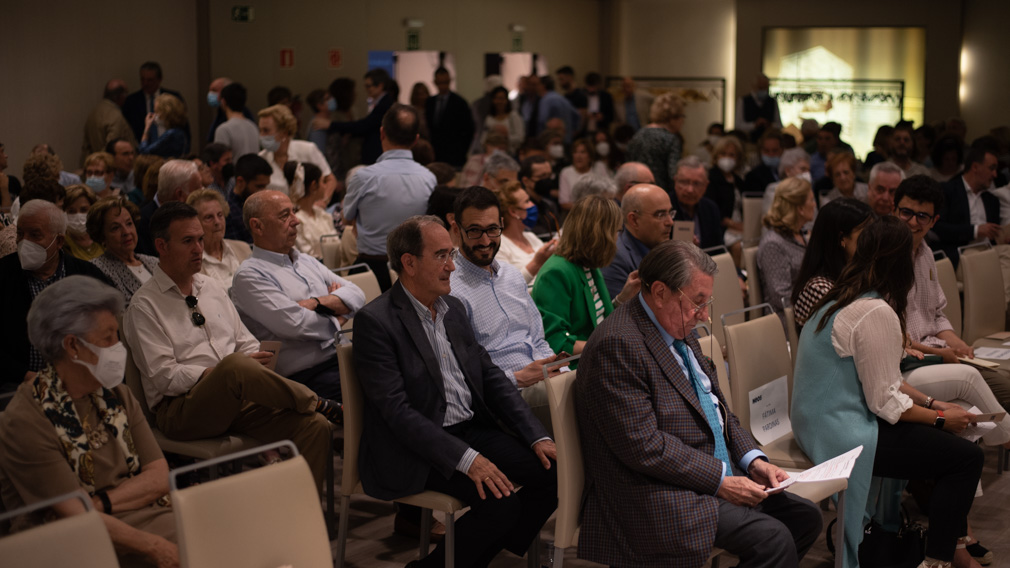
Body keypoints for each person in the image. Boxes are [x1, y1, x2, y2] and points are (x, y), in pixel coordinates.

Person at [576, 240, 822, 568]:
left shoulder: (675, 322)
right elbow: (644, 447)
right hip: (653, 490)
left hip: (705, 470)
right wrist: (721, 480)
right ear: (660, 291)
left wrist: (753, 461)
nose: (704, 315)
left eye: (707, 302)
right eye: (697, 302)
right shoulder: (618, 345)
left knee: (805, 518)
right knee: (774, 540)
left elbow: (718, 408)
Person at [352, 214, 558, 568]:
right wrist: (467, 459)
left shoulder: (453, 308)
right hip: (414, 447)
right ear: (409, 263)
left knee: (554, 471)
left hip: (468, 430)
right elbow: (398, 413)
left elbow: (491, 378)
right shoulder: (377, 321)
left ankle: (469, 555)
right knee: (500, 503)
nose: (452, 266)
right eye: (441, 256)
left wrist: (537, 436)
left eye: (451, 254)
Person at [792, 216, 984, 568]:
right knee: (965, 459)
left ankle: (947, 551)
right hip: (843, 432)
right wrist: (942, 419)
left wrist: (932, 404)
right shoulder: (874, 310)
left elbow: (885, 379)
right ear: (901, 264)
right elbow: (883, 401)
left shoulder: (841, 293)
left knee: (950, 447)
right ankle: (939, 560)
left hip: (818, 421)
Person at [122, 202, 340, 489]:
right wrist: (217, 373)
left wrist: (246, 362)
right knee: (234, 365)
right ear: (161, 246)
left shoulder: (210, 286)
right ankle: (317, 401)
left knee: (316, 427)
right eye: (188, 241)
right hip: (181, 411)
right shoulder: (144, 305)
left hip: (236, 398)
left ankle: (293, 520)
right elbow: (164, 377)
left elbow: (244, 340)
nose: (199, 248)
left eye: (200, 239)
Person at [0, 276, 178, 568]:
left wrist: (102, 503)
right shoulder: (26, 420)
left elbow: (159, 475)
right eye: (108, 338)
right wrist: (156, 547)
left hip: (139, 516)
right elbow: (75, 516)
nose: (117, 346)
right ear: (72, 346)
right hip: (74, 544)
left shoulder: (116, 393)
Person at [448, 187, 567, 433]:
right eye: (474, 231)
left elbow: (538, 340)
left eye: (492, 229)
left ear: (502, 224)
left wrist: (561, 370)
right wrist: (519, 378)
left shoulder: (512, 275)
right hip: (506, 396)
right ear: (457, 230)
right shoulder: (451, 290)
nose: (485, 241)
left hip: (544, 379)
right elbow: (460, 372)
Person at [232, 190, 364, 400]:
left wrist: (316, 303)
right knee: (380, 389)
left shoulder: (305, 260)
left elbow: (357, 294)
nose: (296, 221)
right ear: (257, 226)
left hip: (342, 356)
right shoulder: (249, 276)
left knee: (406, 369)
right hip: (304, 377)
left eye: (294, 212)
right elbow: (296, 323)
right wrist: (339, 314)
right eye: (285, 216)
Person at [896, 175, 1010, 415]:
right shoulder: (886, 258)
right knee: (991, 390)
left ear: (934, 221)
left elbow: (936, 314)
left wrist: (958, 344)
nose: (913, 222)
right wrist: (941, 353)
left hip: (934, 352)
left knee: (1000, 385)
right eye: (906, 212)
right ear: (894, 210)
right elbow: (895, 337)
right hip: (907, 362)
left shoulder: (926, 253)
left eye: (922, 216)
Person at [0, 200, 112, 390]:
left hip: (81, 381)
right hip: (17, 385)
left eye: (35, 235)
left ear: (59, 241)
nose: (24, 242)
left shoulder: (88, 277)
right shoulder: (3, 275)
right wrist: (27, 376)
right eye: (20, 234)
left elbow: (107, 335)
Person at [531, 194, 639, 355]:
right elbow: (555, 342)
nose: (618, 239)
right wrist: (610, 346)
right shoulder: (556, 272)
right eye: (616, 232)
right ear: (600, 235)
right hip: (579, 367)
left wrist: (623, 298)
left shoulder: (587, 264)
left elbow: (598, 320)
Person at [344, 103, 436, 292]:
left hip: (371, 269)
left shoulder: (363, 177)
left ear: (382, 133)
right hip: (416, 271)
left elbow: (347, 218)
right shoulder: (429, 178)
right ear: (416, 139)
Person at [791, 197, 873, 327]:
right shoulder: (819, 289)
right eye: (866, 233)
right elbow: (847, 338)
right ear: (842, 239)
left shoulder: (859, 274)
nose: (872, 239)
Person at [602, 183, 674, 300]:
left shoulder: (665, 249)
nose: (670, 222)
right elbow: (619, 315)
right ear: (634, 220)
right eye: (660, 215)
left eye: (670, 213)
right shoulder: (615, 257)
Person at [757, 177, 816, 315]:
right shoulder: (773, 244)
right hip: (788, 321)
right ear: (800, 208)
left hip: (807, 313)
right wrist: (818, 307)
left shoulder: (800, 234)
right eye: (811, 200)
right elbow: (782, 297)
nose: (814, 205)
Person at [934, 146, 1001, 265]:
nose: (995, 174)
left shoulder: (992, 200)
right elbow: (939, 227)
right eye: (991, 168)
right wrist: (975, 230)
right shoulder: (948, 190)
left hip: (990, 251)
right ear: (975, 167)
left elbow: (994, 235)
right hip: (960, 254)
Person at [88, 196, 160, 305]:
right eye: (115, 228)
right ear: (102, 236)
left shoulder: (154, 262)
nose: (126, 232)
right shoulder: (98, 269)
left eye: (129, 223)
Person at [257, 104, 334, 195]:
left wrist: (322, 202)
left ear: (284, 132)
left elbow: (330, 179)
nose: (261, 136)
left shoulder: (307, 149)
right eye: (260, 130)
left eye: (266, 131)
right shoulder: (261, 159)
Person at [184, 189, 251, 291]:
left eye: (220, 215)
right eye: (209, 217)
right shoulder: (192, 262)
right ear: (195, 223)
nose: (217, 222)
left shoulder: (243, 248)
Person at [328, 68, 396, 165]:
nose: (366, 89)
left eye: (369, 86)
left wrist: (331, 125)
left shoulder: (384, 105)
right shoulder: (381, 103)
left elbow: (365, 125)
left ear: (380, 86)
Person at [136, 159, 202, 257]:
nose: (202, 193)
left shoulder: (196, 214)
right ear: (180, 194)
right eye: (197, 189)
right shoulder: (142, 224)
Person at [494, 181, 556, 284]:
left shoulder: (530, 236)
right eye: (527, 201)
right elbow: (507, 287)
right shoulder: (499, 246)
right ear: (513, 212)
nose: (532, 205)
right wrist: (536, 263)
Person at [626, 92, 686, 193]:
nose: (683, 121)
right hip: (660, 193)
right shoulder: (670, 139)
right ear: (673, 117)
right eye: (682, 117)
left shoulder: (639, 134)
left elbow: (628, 165)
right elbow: (673, 175)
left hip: (636, 191)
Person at [122, 62, 188, 146]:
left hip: (171, 149)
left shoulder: (173, 97)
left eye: (150, 80)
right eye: (143, 79)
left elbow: (183, 126)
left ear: (159, 79)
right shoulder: (131, 101)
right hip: (142, 150)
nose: (145, 84)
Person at [281, 161, 336, 259]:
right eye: (323, 182)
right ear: (314, 185)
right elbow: (305, 255)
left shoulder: (323, 215)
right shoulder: (295, 220)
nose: (325, 186)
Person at [425, 67, 475, 169]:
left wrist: (461, 151)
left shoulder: (460, 103)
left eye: (445, 82)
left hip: (454, 155)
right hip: (435, 153)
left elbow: (468, 130)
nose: (443, 86)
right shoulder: (430, 102)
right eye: (440, 82)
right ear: (435, 82)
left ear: (449, 81)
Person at [672, 156, 725, 250]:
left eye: (696, 184)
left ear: (706, 185)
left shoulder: (711, 209)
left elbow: (718, 249)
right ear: (675, 181)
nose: (690, 190)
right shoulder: (664, 208)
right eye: (684, 182)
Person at [81, 79, 137, 159]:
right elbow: (111, 148)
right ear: (120, 96)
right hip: (109, 165)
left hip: (94, 161)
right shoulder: (116, 116)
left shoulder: (93, 113)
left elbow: (86, 147)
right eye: (126, 94)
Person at [706, 136, 746, 245]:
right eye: (723, 154)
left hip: (740, 225)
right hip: (722, 228)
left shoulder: (738, 181)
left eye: (731, 155)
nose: (727, 158)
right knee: (739, 246)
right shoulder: (711, 177)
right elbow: (711, 209)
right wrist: (734, 224)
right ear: (716, 155)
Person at [225, 154, 272, 243]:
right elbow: (238, 252)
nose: (264, 191)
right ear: (240, 182)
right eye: (259, 186)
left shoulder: (261, 207)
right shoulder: (228, 213)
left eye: (266, 186)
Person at [213, 82, 259, 160]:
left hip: (235, 172)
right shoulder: (253, 126)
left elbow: (221, 162)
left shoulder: (224, 129)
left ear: (223, 102)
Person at [558, 138, 608, 210]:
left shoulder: (599, 168)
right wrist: (588, 209)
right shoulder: (566, 172)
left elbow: (608, 194)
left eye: (583, 152)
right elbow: (564, 203)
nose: (578, 156)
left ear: (590, 157)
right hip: (576, 214)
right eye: (575, 152)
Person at [138, 93, 189, 158]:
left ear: (166, 112)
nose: (154, 116)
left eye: (157, 112)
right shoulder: (178, 132)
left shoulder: (171, 134)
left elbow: (144, 152)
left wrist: (147, 128)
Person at [761, 147, 811, 214]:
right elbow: (771, 220)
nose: (807, 174)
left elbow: (813, 220)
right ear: (788, 171)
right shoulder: (774, 190)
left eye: (808, 170)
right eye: (803, 169)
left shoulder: (808, 191)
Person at [63, 184, 104, 261]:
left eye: (84, 210)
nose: (78, 215)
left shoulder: (103, 238)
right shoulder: (61, 245)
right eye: (71, 211)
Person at [736, 73, 782, 141]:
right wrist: (754, 125)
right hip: (749, 140)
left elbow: (779, 125)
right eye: (760, 88)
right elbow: (738, 125)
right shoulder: (743, 101)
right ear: (754, 87)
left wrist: (770, 125)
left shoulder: (772, 102)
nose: (763, 90)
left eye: (765, 88)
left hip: (768, 140)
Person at [480, 86, 525, 155]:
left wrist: (506, 136)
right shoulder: (489, 118)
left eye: (501, 98)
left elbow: (520, 138)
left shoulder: (513, 116)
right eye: (496, 98)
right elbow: (483, 139)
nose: (499, 102)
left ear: (506, 100)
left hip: (510, 153)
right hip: (491, 154)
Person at [744, 130, 784, 195]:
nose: (771, 154)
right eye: (766, 150)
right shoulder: (753, 176)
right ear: (760, 151)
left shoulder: (789, 171)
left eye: (775, 150)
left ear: (782, 150)